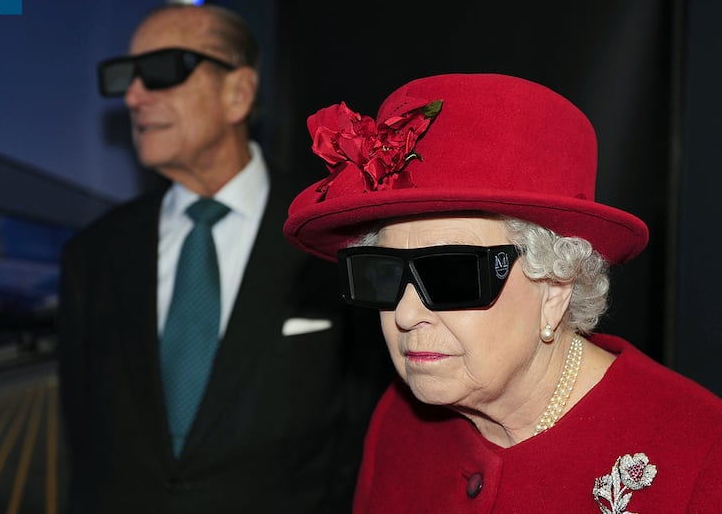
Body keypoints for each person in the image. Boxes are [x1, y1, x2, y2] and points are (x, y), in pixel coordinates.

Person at [283, 73, 722, 512]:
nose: (405, 313)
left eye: (451, 275)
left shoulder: (702, 457)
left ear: (554, 286)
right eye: (382, 273)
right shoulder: (399, 420)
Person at [57, 3, 392, 513]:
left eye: (162, 70)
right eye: (125, 76)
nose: (132, 96)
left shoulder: (333, 232)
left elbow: (361, 429)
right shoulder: (93, 254)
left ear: (238, 93)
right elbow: (83, 437)